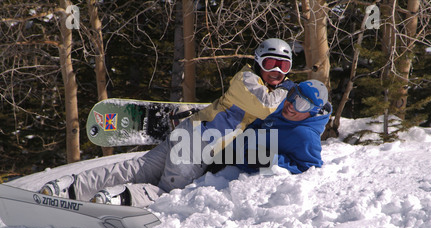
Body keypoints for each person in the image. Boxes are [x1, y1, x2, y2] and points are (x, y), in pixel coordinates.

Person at [40, 38, 294, 207]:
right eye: (272, 63)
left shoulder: (256, 83)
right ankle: (116, 199)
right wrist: (290, 89)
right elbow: (266, 106)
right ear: (259, 61)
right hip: (198, 145)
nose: (278, 72)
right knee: (166, 192)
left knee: (135, 168)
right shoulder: (248, 80)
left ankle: (68, 187)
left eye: (284, 66)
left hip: (189, 134)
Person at [231, 79, 332, 174]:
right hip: (231, 152)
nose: (291, 105)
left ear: (312, 112)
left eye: (302, 104)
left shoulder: (305, 136)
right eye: (293, 94)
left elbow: (311, 169)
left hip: (246, 180)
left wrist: (272, 159)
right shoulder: (282, 107)